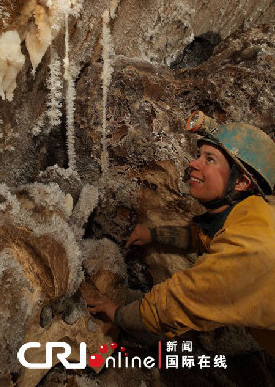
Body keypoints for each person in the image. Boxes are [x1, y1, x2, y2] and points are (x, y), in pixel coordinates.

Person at [85, 111, 275, 355]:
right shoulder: (254, 213)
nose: (194, 164)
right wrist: (153, 234)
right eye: (199, 156)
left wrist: (118, 315)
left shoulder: (252, 248)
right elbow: (205, 237)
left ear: (241, 182)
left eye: (210, 159)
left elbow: (177, 303)